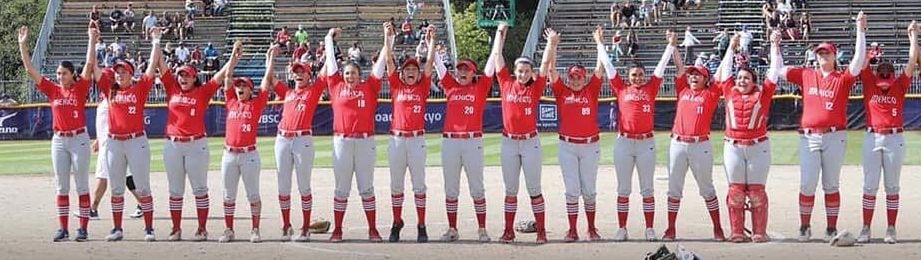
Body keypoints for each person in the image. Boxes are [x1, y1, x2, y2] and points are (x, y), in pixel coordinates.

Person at [773, 11, 867, 243]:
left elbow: (858, 60)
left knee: (831, 184)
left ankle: (831, 228)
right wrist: (775, 45)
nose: (823, 55)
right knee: (807, 183)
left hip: (835, 136)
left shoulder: (842, 78)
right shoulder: (806, 74)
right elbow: (778, 70)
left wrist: (860, 30)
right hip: (809, 137)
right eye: (820, 53)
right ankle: (804, 226)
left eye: (827, 52)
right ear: (815, 57)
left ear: (834, 56)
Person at [158, 40, 243, 241]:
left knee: (200, 189)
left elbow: (220, 76)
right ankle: (176, 228)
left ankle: (202, 228)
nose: (183, 78)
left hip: (196, 145)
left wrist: (233, 57)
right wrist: (156, 40)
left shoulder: (202, 92)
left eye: (187, 75)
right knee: (175, 190)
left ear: (195, 77)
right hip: (173, 145)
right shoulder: (172, 88)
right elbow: (161, 66)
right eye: (180, 75)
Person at [18, 24, 97, 242]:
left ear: (72, 74)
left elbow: (89, 65)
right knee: (62, 186)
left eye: (63, 73)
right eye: (58, 73)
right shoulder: (53, 89)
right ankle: (63, 228)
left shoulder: (80, 89)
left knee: (82, 184)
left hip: (79, 139)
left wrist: (92, 38)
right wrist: (22, 46)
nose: (60, 76)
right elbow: (30, 71)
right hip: (59, 140)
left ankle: (83, 228)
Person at [603, 29, 677, 242]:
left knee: (647, 188)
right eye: (634, 74)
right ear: (628, 76)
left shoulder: (651, 87)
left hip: (646, 143)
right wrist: (600, 44)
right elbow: (608, 67)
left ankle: (650, 228)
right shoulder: (620, 88)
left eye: (640, 74)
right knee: (623, 188)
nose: (637, 77)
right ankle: (622, 228)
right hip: (624, 142)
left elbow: (662, 67)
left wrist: (671, 45)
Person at [95, 26, 165, 242]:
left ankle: (149, 229)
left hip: (136, 141)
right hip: (115, 142)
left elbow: (153, 65)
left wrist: (156, 41)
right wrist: (92, 41)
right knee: (116, 188)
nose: (119, 73)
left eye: (123, 71)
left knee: (143, 186)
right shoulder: (110, 90)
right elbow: (94, 68)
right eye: (117, 71)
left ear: (131, 73)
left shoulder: (140, 88)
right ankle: (117, 229)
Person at [324, 25, 389, 242]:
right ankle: (338, 230)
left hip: (365, 142)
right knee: (341, 188)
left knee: (366, 187)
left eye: (354, 73)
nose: (350, 76)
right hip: (341, 142)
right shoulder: (335, 86)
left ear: (361, 75)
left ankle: (373, 229)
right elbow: (331, 62)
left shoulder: (369, 87)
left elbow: (380, 65)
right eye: (347, 73)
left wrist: (388, 38)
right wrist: (328, 38)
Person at [856, 21, 917, 245]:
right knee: (870, 186)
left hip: (894, 138)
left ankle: (891, 228)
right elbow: (861, 63)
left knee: (892, 186)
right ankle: (866, 227)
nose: (883, 72)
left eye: (887, 70)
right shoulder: (870, 81)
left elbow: (912, 62)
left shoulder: (900, 85)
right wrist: (862, 31)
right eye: (880, 69)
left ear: (892, 73)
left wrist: (913, 36)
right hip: (872, 137)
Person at [432, 38, 497, 243]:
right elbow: (437, 62)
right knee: (451, 188)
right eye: (460, 69)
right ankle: (452, 229)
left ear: (473, 73)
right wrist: (431, 41)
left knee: (477, 187)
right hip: (450, 142)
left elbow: (492, 62)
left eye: (466, 70)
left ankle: (482, 229)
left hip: (472, 142)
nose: (462, 72)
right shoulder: (450, 85)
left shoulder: (480, 87)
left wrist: (499, 35)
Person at [491, 22, 551, 244]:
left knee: (534, 188)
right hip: (509, 142)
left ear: (531, 73)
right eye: (520, 71)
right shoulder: (506, 83)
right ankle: (508, 231)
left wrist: (551, 43)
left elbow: (545, 64)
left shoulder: (535, 88)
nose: (523, 74)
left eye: (527, 71)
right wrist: (500, 33)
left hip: (530, 142)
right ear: (514, 72)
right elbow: (497, 55)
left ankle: (542, 231)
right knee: (511, 190)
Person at [664, 31, 727, 242]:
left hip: (701, 145)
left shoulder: (710, 94)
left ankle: (717, 228)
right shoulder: (682, 90)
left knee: (707, 188)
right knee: (674, 188)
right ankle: (670, 229)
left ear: (705, 78)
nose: (692, 76)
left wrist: (731, 50)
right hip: (678, 143)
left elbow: (720, 73)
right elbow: (680, 68)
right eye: (691, 74)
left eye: (697, 74)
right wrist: (673, 46)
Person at [717, 33, 779, 243]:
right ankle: (737, 231)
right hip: (733, 146)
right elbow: (725, 70)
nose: (742, 80)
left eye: (747, 78)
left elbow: (774, 72)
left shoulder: (763, 93)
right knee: (735, 190)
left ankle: (759, 231)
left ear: (754, 81)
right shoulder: (729, 90)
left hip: (757, 147)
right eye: (740, 77)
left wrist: (774, 45)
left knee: (756, 191)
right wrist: (731, 47)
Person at [266, 42, 328, 242]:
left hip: (303, 140)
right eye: (295, 72)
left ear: (309, 75)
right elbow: (269, 79)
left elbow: (326, 72)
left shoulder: (314, 90)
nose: (298, 75)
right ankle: (286, 226)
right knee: (283, 186)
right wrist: (271, 56)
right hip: (283, 139)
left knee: (304, 186)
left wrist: (329, 44)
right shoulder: (288, 92)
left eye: (302, 72)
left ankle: (305, 228)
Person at [548, 26, 605, 242]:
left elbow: (600, 67)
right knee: (572, 190)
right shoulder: (562, 91)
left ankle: (591, 228)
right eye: (572, 77)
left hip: (590, 146)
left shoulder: (591, 89)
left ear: (584, 77)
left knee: (589, 190)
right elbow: (551, 70)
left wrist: (599, 42)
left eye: (579, 77)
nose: (575, 80)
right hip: (567, 146)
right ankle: (572, 230)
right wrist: (553, 46)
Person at [383, 25, 436, 243]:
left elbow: (430, 63)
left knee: (419, 185)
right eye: (407, 69)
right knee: (396, 185)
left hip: (416, 140)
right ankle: (397, 222)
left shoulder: (422, 87)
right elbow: (388, 60)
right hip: (396, 140)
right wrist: (387, 37)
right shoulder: (396, 85)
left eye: (414, 68)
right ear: (403, 73)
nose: (411, 71)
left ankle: (421, 225)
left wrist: (432, 40)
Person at [217, 61, 269, 244]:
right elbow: (227, 78)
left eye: (244, 86)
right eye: (238, 85)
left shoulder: (256, 104)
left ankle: (255, 229)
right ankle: (229, 229)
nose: (239, 88)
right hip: (229, 154)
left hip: (249, 155)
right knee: (228, 195)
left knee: (253, 195)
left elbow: (266, 82)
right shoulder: (231, 101)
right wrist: (233, 57)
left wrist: (268, 60)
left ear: (250, 91)